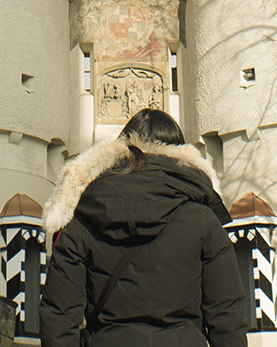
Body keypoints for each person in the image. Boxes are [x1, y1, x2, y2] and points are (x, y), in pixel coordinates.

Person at [41, 108, 250, 347]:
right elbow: (227, 316)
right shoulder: (204, 222)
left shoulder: (83, 218)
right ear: (182, 155)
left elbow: (59, 317)